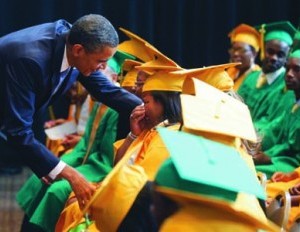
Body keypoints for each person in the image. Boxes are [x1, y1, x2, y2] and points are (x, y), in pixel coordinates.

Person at [0, 14, 142, 208]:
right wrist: (72, 175)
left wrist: (144, 109)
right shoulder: (29, 59)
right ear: (78, 50)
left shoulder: (72, 47)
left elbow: (106, 89)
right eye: (101, 60)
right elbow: (18, 131)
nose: (105, 67)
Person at [16, 61, 134, 232]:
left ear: (115, 79)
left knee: (56, 190)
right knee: (42, 176)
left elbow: (106, 155)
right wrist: (59, 166)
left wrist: (65, 169)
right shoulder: (99, 102)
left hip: (102, 167)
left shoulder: (117, 110)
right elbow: (87, 143)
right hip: (89, 159)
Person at [253, 42, 300, 178]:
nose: (289, 74)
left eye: (297, 69)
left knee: (250, 173)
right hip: (281, 158)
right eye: (288, 68)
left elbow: (293, 153)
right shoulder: (293, 104)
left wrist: (270, 158)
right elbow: (274, 130)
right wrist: (251, 141)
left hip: (293, 167)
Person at [238, 21, 296, 122]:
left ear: (287, 57)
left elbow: (274, 124)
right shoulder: (251, 77)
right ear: (263, 49)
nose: (274, 58)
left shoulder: (286, 87)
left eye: (280, 54)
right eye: (270, 51)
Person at [226, 23, 261, 91]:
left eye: (241, 50)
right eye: (233, 49)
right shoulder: (231, 70)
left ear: (254, 53)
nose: (235, 53)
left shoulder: (257, 77)